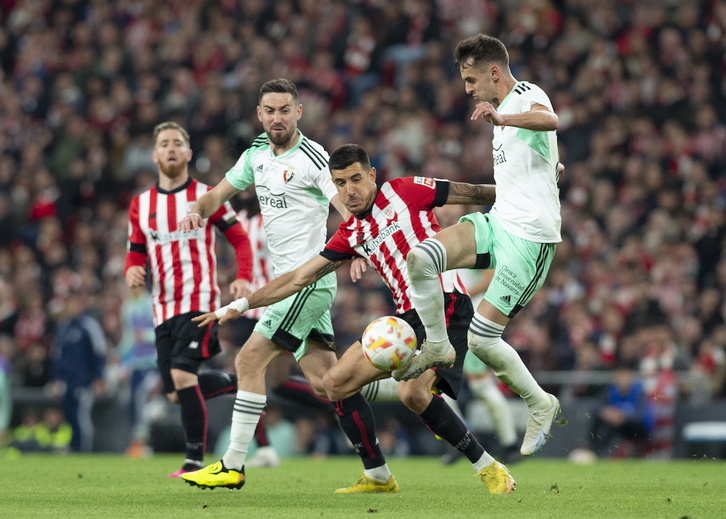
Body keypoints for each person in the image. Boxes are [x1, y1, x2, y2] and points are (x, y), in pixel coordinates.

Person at [184, 143, 516, 494]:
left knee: (413, 395)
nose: (349, 190)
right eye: (340, 183)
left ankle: (489, 467)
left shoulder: (406, 190)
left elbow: (471, 192)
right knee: (335, 383)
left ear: (372, 175)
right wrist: (240, 304)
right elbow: (298, 278)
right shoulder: (351, 234)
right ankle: (378, 475)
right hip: (405, 316)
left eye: (356, 179)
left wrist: (526, 192)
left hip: (446, 305)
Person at [176, 79, 349, 489]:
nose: (276, 117)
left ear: (299, 112)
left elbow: (345, 204)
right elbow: (218, 193)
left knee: (248, 361)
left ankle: (233, 464)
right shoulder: (256, 154)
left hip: (305, 282)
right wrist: (195, 209)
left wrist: (352, 244)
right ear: (259, 113)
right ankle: (410, 391)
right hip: (287, 283)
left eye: (284, 110)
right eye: (269, 110)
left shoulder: (313, 157)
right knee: (329, 385)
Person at [400, 34, 562, 457]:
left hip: (530, 239)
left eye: (472, 80)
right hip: (498, 221)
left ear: (494, 72)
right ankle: (436, 342)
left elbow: (551, 120)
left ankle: (539, 402)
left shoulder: (526, 95)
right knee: (421, 257)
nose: (468, 89)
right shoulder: (502, 117)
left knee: (481, 342)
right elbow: (541, 158)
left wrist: (504, 119)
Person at [124, 121, 254, 477]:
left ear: (187, 153)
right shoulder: (141, 204)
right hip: (162, 308)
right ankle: (241, 383)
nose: (170, 148)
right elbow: (136, 251)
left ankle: (192, 461)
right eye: (164, 143)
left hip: (198, 302)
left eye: (177, 143)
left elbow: (240, 238)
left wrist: (243, 276)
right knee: (173, 392)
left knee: (182, 376)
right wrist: (131, 270)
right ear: (154, 154)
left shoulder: (206, 196)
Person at [47, 289, 107, 452]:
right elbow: (57, 356)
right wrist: (55, 379)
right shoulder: (63, 327)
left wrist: (98, 377)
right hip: (66, 382)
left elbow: (99, 353)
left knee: (81, 417)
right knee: (69, 416)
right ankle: (74, 448)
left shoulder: (89, 325)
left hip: (83, 381)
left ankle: (83, 449)